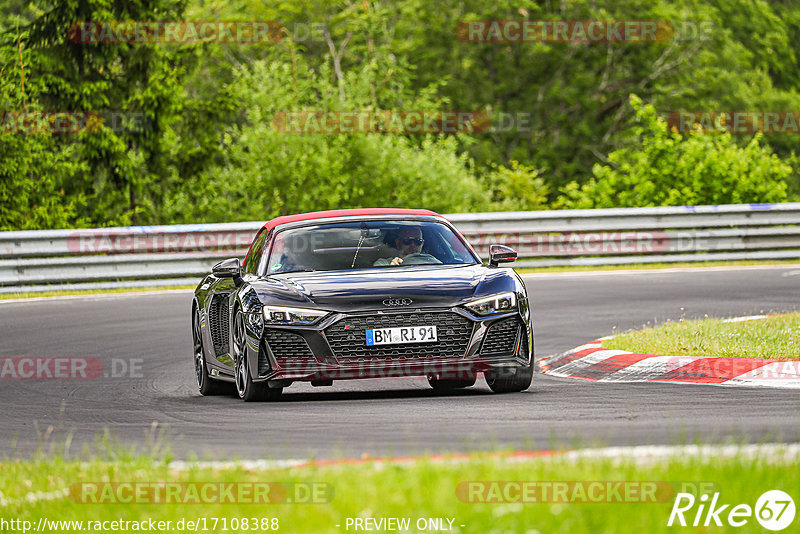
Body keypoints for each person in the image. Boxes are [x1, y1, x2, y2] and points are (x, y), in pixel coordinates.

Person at [374, 226, 441, 266]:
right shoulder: (383, 263)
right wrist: (391, 269)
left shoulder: (434, 263)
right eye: (407, 241)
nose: (413, 245)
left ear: (422, 243)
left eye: (417, 241)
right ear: (398, 243)